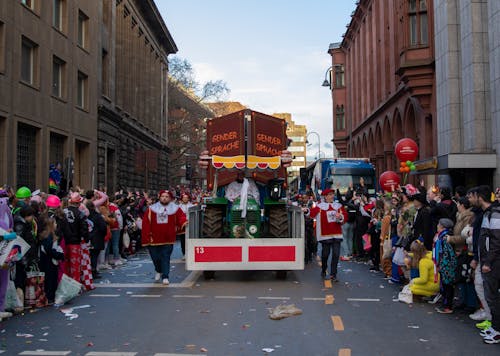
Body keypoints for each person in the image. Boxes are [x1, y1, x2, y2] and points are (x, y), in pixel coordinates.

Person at [141, 190, 187, 285]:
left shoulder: (175, 208)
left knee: (165, 257)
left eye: (166, 196)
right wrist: (146, 236)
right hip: (153, 238)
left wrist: (184, 222)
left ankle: (165, 276)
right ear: (159, 197)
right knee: (155, 258)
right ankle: (158, 270)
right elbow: (146, 223)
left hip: (168, 238)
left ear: (170, 198)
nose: (164, 198)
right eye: (163, 196)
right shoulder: (151, 209)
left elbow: (181, 217)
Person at [475, 185, 500, 344]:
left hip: (493, 262)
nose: (497, 194)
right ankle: (495, 326)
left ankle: (497, 330)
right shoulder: (489, 213)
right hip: (488, 260)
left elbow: (496, 241)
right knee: (491, 296)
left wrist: (488, 262)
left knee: (492, 296)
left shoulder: (495, 213)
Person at [305, 188, 347, 281]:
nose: (332, 196)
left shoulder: (338, 206)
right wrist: (306, 210)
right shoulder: (320, 207)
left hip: (336, 234)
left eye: (333, 194)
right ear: (326, 196)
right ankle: (324, 269)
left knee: (336, 255)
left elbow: (345, 217)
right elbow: (311, 213)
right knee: (325, 255)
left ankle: (333, 274)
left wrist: (341, 217)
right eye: (330, 194)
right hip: (325, 235)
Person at [60, 192, 89, 282]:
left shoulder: (62, 212)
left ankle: (65, 285)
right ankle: (75, 286)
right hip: (75, 243)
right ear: (79, 203)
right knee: (75, 266)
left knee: (65, 265)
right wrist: (87, 239)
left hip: (64, 242)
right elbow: (84, 229)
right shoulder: (80, 214)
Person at [433, 218, 457, 314]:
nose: (437, 226)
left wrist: (440, 264)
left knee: (447, 285)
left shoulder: (445, 237)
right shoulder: (441, 236)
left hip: (447, 264)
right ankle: (445, 304)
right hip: (444, 263)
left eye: (438, 224)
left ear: (442, 226)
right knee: (445, 284)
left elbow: (446, 253)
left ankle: (448, 306)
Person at [177, 193, 194, 258]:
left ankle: (190, 253)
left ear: (188, 198)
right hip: (182, 226)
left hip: (190, 225)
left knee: (190, 240)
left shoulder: (192, 206)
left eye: (186, 197)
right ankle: (184, 254)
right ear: (182, 198)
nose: (185, 199)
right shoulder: (179, 207)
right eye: (184, 197)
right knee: (183, 241)